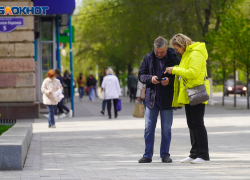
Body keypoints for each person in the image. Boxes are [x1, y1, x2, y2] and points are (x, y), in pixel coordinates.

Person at [165, 33, 210, 164]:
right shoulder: (187, 54)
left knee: (198, 124)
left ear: (182, 44)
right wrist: (175, 69)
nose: (177, 51)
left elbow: (192, 73)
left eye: (177, 48)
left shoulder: (195, 54)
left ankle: (203, 155)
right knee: (191, 124)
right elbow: (185, 69)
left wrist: (175, 70)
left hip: (197, 91)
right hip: (189, 92)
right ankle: (194, 153)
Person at [138, 36, 180, 163]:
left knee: (166, 129)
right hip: (151, 99)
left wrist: (170, 81)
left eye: (161, 52)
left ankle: (165, 154)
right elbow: (141, 75)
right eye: (157, 52)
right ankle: (147, 155)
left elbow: (180, 75)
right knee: (148, 128)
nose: (159, 54)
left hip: (167, 99)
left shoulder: (174, 58)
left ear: (167, 48)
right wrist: (150, 78)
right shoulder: (148, 58)